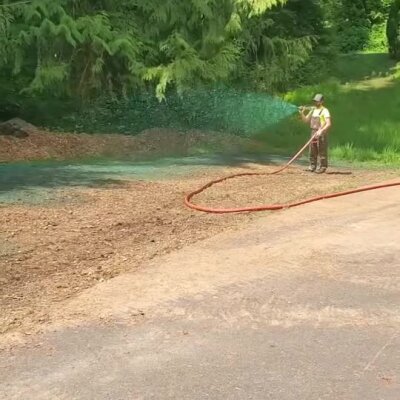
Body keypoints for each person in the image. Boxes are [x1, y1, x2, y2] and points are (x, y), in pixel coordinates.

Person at [300, 94, 332, 173]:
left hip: (321, 132)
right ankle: (312, 166)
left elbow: (328, 123)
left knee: (322, 150)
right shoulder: (313, 110)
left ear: (322, 101)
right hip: (313, 131)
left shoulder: (325, 110)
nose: (316, 102)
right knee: (312, 149)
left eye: (318, 101)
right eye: (315, 101)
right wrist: (301, 113)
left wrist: (321, 131)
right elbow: (306, 120)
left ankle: (322, 167)